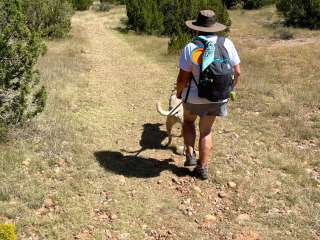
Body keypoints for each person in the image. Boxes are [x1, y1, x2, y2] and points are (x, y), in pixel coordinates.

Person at [176, 10, 241, 180]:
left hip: (193, 97)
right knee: (206, 131)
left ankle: (190, 155)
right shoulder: (227, 43)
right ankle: (202, 167)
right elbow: (238, 72)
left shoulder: (190, 47)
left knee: (189, 122)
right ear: (215, 28)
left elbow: (183, 77)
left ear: (197, 29)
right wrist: (229, 90)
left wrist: (178, 92)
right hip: (218, 97)